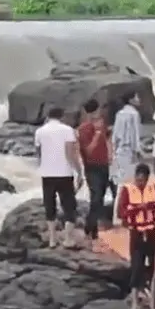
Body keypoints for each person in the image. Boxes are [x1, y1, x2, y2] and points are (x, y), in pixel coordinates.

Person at [34, 106, 84, 249]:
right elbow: (71, 154)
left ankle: (52, 239)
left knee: (50, 206)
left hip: (47, 173)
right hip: (64, 173)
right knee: (69, 207)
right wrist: (79, 172)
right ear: (62, 116)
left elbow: (39, 153)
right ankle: (68, 239)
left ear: (48, 116)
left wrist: (41, 166)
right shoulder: (67, 130)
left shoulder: (40, 131)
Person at [117, 163, 155, 309]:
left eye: (143, 180)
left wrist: (150, 207)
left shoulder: (154, 189)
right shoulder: (127, 189)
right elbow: (120, 212)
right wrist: (136, 209)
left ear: (147, 179)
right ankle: (135, 303)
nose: (140, 182)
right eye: (138, 179)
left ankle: (154, 301)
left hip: (152, 232)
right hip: (136, 233)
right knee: (136, 267)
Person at [76, 99, 112, 247]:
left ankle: (92, 228)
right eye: (96, 111)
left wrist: (110, 153)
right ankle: (90, 229)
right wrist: (97, 133)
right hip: (92, 167)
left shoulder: (102, 123)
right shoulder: (84, 129)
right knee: (96, 197)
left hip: (104, 164)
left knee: (101, 197)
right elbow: (88, 151)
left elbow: (107, 139)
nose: (98, 114)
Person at [111, 93, 143, 188]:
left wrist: (114, 150)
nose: (138, 99)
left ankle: (119, 200)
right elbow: (136, 134)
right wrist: (137, 150)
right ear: (130, 100)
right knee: (130, 180)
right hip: (129, 150)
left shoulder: (119, 114)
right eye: (136, 97)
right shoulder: (134, 114)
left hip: (119, 150)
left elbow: (115, 134)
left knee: (121, 179)